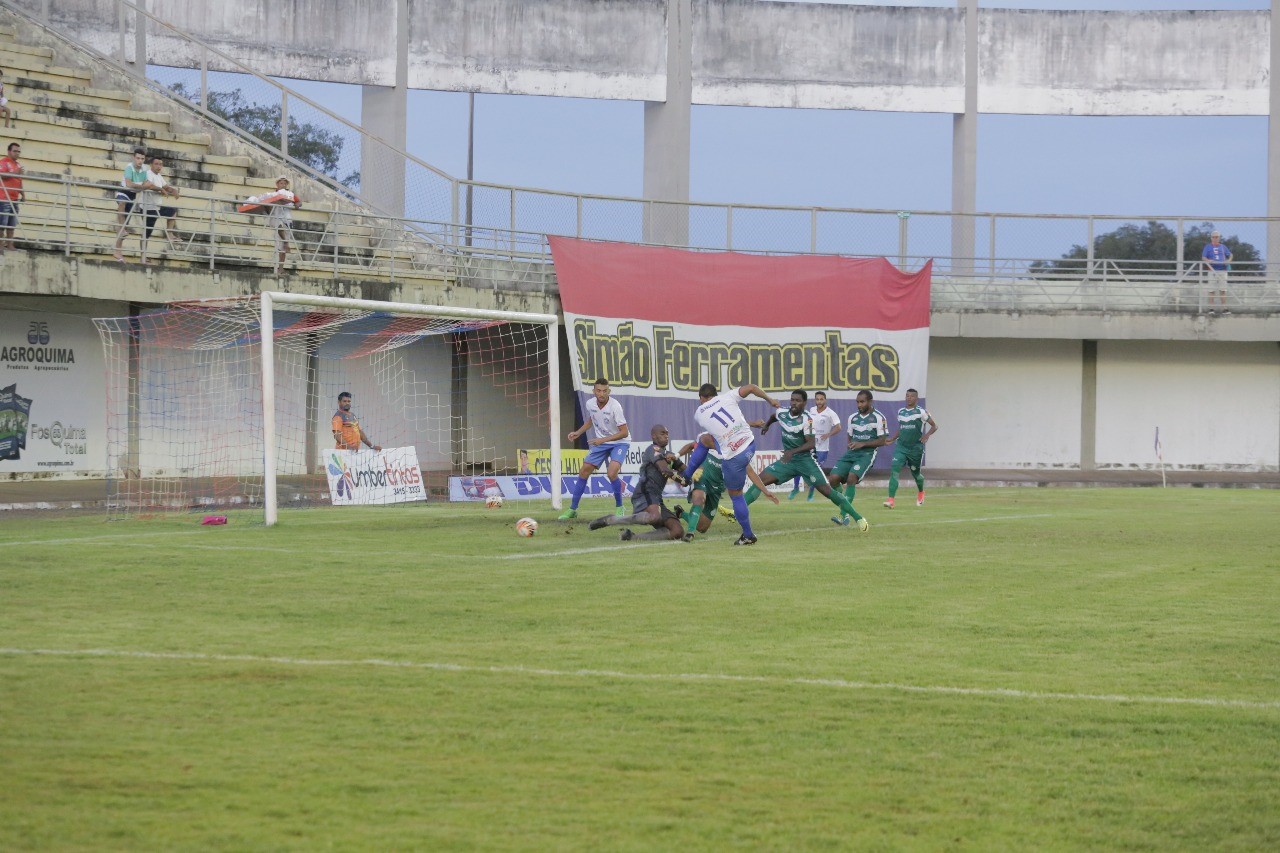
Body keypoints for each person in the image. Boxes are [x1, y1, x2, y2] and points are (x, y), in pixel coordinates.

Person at [738, 390, 869, 532]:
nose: (794, 403)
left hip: (806, 461)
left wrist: (792, 452)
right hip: (789, 460)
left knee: (826, 490)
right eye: (792, 400)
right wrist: (767, 425)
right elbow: (773, 416)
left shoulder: (808, 419)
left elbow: (811, 444)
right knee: (760, 479)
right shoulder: (782, 412)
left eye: (798, 400)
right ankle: (736, 511)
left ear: (805, 403)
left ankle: (859, 518)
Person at [681, 382, 781, 546]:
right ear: (715, 394)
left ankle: (748, 535)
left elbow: (717, 427)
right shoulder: (727, 397)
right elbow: (751, 387)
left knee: (736, 496)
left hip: (733, 456)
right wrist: (769, 400)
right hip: (749, 444)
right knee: (706, 440)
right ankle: (686, 477)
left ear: (701, 398)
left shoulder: (699, 413)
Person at [588, 424, 689, 541]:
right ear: (654, 436)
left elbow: (686, 472)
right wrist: (683, 480)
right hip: (645, 492)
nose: (666, 436)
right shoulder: (653, 449)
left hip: (656, 497)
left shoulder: (669, 455)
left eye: (667, 433)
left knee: (677, 531)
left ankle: (632, 537)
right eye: (662, 433)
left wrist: (691, 472)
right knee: (654, 517)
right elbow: (665, 470)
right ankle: (611, 520)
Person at [677, 431, 779, 538]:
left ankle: (681, 513)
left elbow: (751, 472)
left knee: (702, 527)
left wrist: (765, 491)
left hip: (717, 488)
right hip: (702, 479)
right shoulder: (708, 439)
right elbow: (692, 446)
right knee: (699, 498)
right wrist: (677, 456)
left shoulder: (736, 453)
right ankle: (690, 533)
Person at [558, 378, 629, 520]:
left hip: (620, 442)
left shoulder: (615, 406)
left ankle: (620, 507)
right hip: (601, 443)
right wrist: (578, 432)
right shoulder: (590, 404)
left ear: (609, 391)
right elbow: (592, 419)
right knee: (584, 471)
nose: (601, 394)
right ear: (594, 391)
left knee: (612, 472)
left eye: (604, 391)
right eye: (598, 390)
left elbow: (624, 432)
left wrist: (601, 440)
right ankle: (572, 510)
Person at [828, 390, 888, 503]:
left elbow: (882, 441)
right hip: (851, 453)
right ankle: (842, 498)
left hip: (867, 454)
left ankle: (844, 514)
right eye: (857, 402)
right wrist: (850, 446)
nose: (859, 405)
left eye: (862, 402)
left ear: (870, 401)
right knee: (833, 479)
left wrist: (863, 444)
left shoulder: (879, 417)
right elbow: (849, 436)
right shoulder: (852, 417)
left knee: (852, 478)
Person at [884, 388, 937, 508]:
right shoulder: (901, 411)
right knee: (895, 470)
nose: (909, 398)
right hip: (901, 447)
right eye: (907, 396)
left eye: (912, 396)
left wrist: (926, 436)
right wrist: (892, 439)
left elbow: (934, 426)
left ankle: (921, 492)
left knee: (916, 474)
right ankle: (891, 500)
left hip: (915, 449)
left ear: (916, 399)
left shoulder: (921, 412)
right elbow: (901, 428)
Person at [800, 390, 842, 501]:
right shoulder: (812, 410)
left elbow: (838, 427)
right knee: (809, 470)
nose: (819, 401)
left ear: (825, 400)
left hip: (822, 449)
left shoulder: (830, 413)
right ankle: (810, 492)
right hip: (812, 446)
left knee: (816, 471)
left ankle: (811, 493)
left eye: (821, 399)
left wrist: (828, 434)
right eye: (817, 399)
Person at [112, 148, 152, 262]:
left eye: (142, 159)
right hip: (123, 192)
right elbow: (129, 184)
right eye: (138, 158)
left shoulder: (144, 169)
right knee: (122, 204)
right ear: (134, 158)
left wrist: (143, 186)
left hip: (132, 196)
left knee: (124, 224)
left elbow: (146, 183)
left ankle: (117, 252)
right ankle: (122, 231)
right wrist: (143, 187)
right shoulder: (129, 167)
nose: (140, 160)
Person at [139, 156, 181, 260]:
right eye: (156, 164)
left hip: (156, 207)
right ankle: (143, 256)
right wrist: (160, 189)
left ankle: (170, 234)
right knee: (146, 234)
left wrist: (173, 190)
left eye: (160, 164)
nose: (159, 166)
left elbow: (166, 187)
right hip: (147, 208)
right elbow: (148, 185)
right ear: (151, 165)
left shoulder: (159, 176)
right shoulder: (148, 173)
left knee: (172, 212)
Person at [268, 176, 302, 275]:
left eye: (284, 183)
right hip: (276, 216)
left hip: (287, 218)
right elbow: (269, 203)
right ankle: (286, 243)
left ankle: (281, 268)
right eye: (281, 183)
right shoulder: (273, 194)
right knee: (278, 226)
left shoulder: (290, 194)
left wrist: (297, 205)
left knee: (282, 248)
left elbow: (299, 202)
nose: (283, 185)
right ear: (277, 184)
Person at [1201, 230, 1232, 316]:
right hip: (1212, 270)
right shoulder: (1207, 247)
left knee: (1223, 290)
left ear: (1219, 238)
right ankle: (1211, 309)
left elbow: (1230, 255)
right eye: (1213, 237)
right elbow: (1203, 257)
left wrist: (1228, 261)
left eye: (1217, 237)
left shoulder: (1223, 246)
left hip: (1223, 270)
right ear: (1211, 238)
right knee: (1211, 290)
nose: (1215, 238)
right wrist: (1208, 260)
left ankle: (1225, 309)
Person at [0, 141, 22, 251]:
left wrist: (23, 193)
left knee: (11, 224)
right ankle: (0, 244)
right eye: (15, 151)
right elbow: (2, 176)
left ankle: (9, 245)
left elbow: (19, 180)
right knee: (2, 223)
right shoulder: (4, 162)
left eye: (19, 151)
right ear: (9, 151)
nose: (17, 153)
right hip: (4, 198)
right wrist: (15, 173)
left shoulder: (18, 165)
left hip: (14, 198)